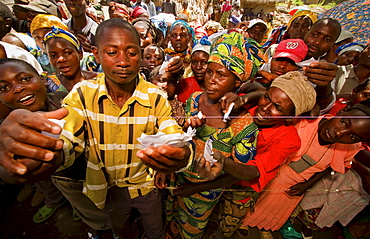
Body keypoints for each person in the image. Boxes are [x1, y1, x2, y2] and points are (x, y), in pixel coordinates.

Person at [0, 18, 192, 239]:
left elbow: (171, 130)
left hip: (145, 187)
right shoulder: (83, 94)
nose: (123, 62)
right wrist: (34, 156)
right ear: (96, 54)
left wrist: (182, 152)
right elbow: (67, 136)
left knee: (155, 228)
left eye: (131, 52)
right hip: (107, 189)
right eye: (112, 52)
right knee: (120, 229)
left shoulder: (155, 96)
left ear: (140, 54)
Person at [158, 32, 263, 239]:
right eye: (209, 72)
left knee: (191, 230)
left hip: (204, 193)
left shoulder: (244, 126)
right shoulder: (195, 100)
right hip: (178, 177)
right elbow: (182, 136)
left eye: (221, 75)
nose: (211, 81)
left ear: (236, 82)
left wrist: (199, 186)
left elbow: (241, 173)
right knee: (171, 218)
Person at [195, 71, 317, 238]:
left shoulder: (289, 140)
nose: (265, 108)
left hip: (242, 187)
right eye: (267, 98)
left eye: (278, 107)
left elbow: (253, 172)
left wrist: (220, 165)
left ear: (290, 117)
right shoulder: (246, 109)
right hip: (215, 174)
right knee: (208, 209)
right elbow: (254, 88)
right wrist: (246, 98)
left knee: (229, 219)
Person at [243, 100, 370, 231]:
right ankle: (242, 223)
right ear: (342, 111)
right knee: (249, 205)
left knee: (271, 213)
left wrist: (306, 185)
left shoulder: (350, 148)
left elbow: (329, 168)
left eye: (353, 137)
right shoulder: (306, 122)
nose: (340, 133)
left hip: (294, 185)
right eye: (343, 122)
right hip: (269, 174)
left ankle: (261, 228)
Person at [0, 58, 67, 223]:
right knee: (45, 185)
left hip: (78, 177)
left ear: (42, 79)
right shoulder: (11, 130)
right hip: (49, 179)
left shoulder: (64, 99)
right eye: (4, 87)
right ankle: (53, 200)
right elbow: (7, 169)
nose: (18, 88)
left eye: (24, 79)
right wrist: (12, 171)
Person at [43, 27, 98, 92]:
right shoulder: (48, 84)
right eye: (53, 55)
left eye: (67, 53)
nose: (60, 59)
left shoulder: (99, 80)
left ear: (80, 54)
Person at [175, 38, 211, 103]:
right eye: (194, 62)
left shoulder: (219, 88)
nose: (198, 67)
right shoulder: (182, 86)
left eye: (204, 62)